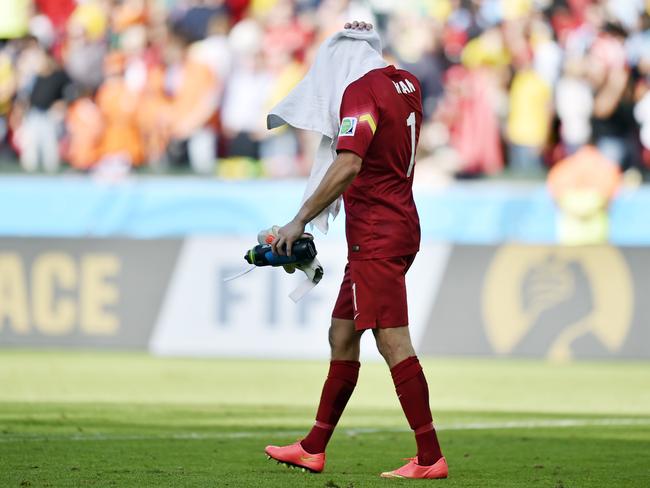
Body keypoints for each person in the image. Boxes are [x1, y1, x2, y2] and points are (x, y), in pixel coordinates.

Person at [264, 21, 447, 480]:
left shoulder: (361, 93)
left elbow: (348, 162)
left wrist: (300, 219)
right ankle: (313, 447)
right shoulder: (407, 84)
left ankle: (430, 457)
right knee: (342, 336)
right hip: (396, 223)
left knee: (392, 340)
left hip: (378, 233)